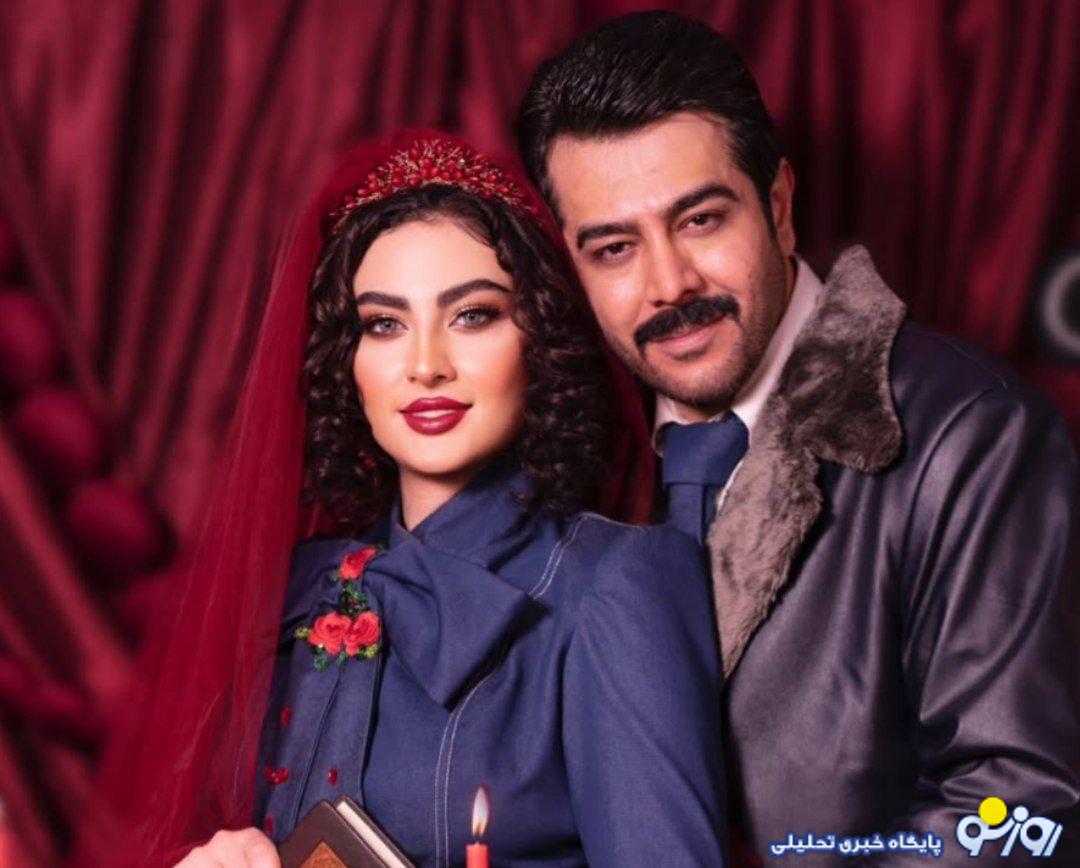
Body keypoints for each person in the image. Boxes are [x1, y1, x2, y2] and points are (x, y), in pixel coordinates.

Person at [516, 11, 1080, 865]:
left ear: (778, 207)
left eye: (701, 220)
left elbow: (1023, 814)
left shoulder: (974, 438)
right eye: (615, 248)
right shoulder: (568, 456)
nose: (669, 284)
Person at [77, 131, 727, 868]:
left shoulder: (615, 583)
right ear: (346, 358)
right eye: (384, 324)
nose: (425, 365)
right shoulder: (299, 592)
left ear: (541, 335)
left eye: (472, 314)